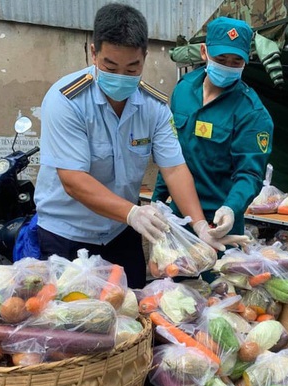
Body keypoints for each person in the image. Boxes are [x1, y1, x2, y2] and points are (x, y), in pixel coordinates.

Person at [33, 3, 243, 288]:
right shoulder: (66, 101)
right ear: (93, 53)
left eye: (132, 67)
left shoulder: (153, 107)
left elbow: (174, 169)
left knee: (134, 313)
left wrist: (199, 225)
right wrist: (133, 212)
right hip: (68, 236)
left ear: (144, 58)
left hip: (122, 233)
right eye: (110, 66)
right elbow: (73, 180)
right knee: (75, 323)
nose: (121, 76)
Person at [152, 17, 274, 241]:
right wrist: (157, 202)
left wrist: (230, 208)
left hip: (219, 224)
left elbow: (250, 173)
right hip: (177, 219)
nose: (227, 66)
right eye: (221, 59)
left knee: (219, 276)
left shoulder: (252, 113)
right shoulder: (184, 89)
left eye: (236, 61)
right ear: (203, 52)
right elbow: (169, 153)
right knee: (169, 275)